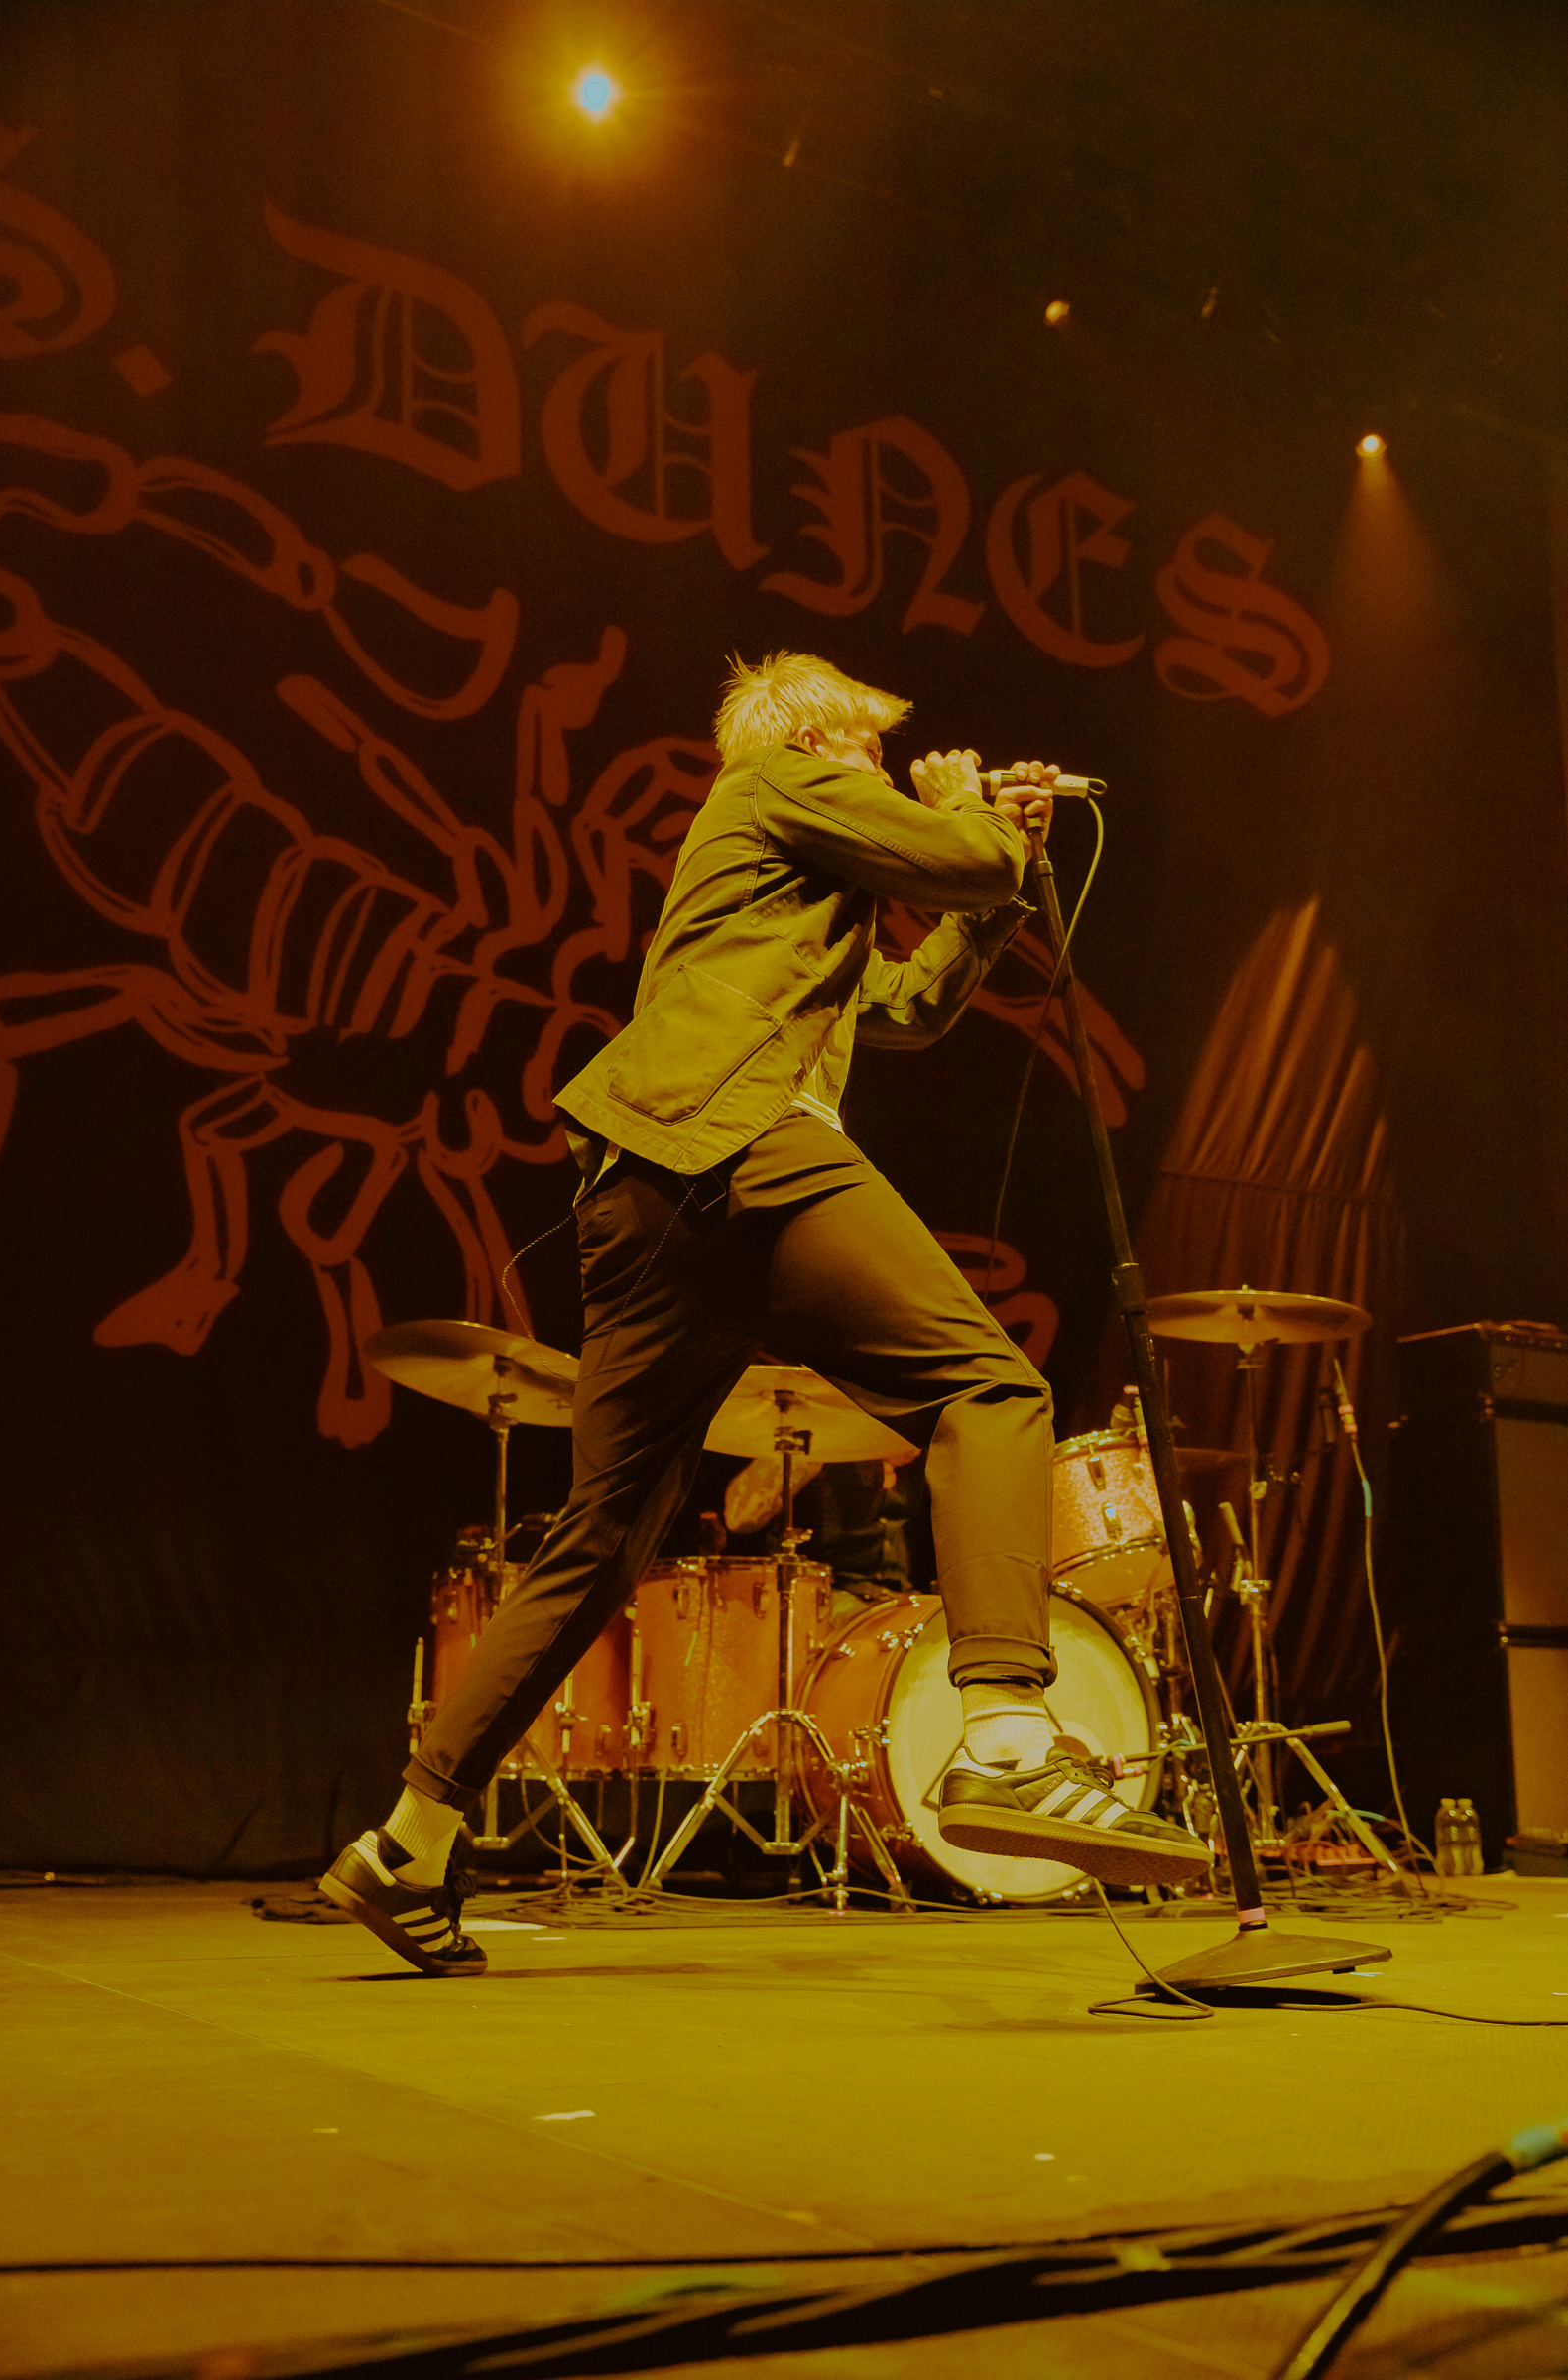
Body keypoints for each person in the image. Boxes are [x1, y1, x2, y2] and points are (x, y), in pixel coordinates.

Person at [323, 653, 1210, 1972]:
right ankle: (1008, 1739)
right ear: (817, 740)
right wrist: (971, 820)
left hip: (647, 1188)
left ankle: (407, 1841)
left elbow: (910, 1005)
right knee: (987, 1390)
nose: (876, 768)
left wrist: (1001, 859)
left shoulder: (787, 895)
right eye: (870, 749)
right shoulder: (774, 782)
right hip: (737, 1144)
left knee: (600, 1541)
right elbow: (955, 864)